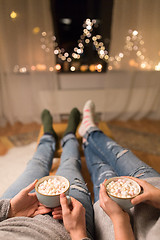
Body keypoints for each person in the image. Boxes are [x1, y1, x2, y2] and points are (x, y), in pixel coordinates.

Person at [0, 108, 94, 240]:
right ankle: (69, 135)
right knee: (70, 163)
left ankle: (48, 135)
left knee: (36, 163)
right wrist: (78, 233)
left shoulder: (10, 210)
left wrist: (9, 209)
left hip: (10, 217)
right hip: (68, 229)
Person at [78, 100, 160, 240]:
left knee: (102, 168)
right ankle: (89, 132)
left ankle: (88, 133)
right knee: (117, 152)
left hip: (114, 224)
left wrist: (119, 219)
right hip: (152, 189)